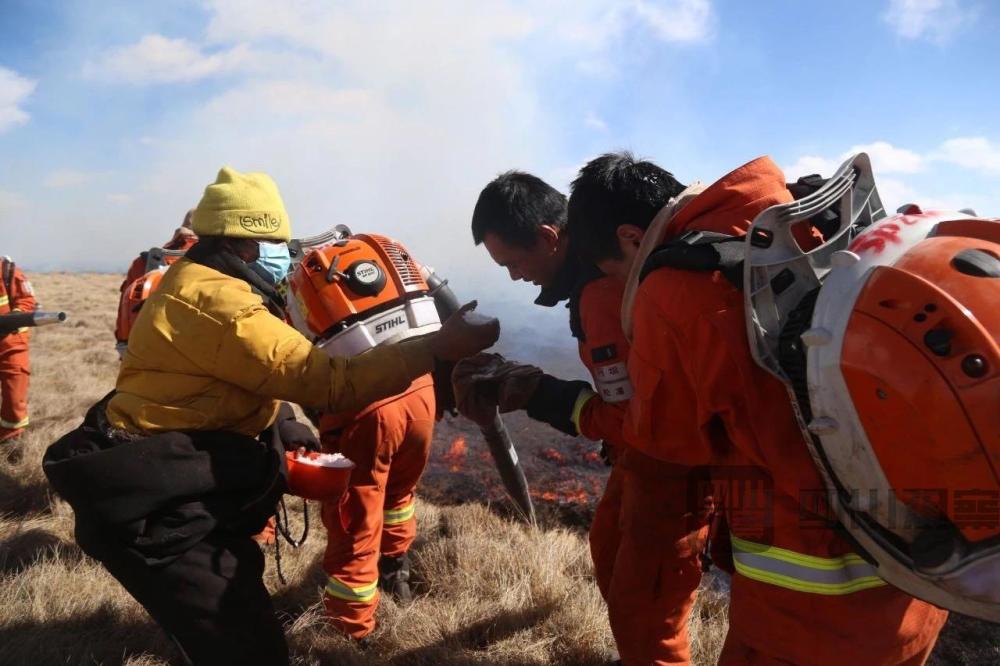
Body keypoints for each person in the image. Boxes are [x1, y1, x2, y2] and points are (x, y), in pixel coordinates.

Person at [43, 166, 499, 666]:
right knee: (248, 649)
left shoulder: (199, 280)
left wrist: (282, 426)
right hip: (157, 506)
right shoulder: (224, 306)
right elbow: (331, 382)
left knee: (220, 624)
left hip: (173, 476)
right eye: (277, 242)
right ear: (244, 245)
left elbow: (241, 376)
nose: (286, 254)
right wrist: (437, 347)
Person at [565, 152, 948, 664]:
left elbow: (665, 476)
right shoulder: (825, 217)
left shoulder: (677, 289)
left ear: (632, 238)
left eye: (615, 272)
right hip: (920, 581)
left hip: (804, 617)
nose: (620, 289)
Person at [468, 171, 706, 665]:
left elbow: (645, 420)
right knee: (609, 547)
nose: (514, 276)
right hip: (641, 460)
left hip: (671, 465)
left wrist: (545, 396)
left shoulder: (602, 290)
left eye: (512, 262)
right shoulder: (600, 277)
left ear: (549, 237)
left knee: (644, 603)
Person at [0, 255, 36, 442]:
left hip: (10, 344)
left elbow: (27, 301)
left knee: (14, 398)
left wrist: (15, 317)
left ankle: (11, 441)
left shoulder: (7, 270)